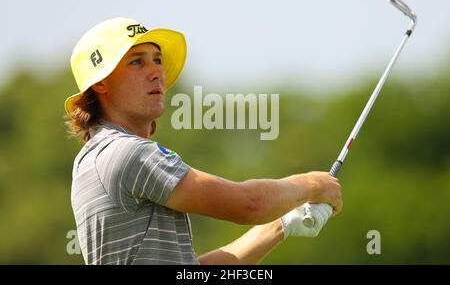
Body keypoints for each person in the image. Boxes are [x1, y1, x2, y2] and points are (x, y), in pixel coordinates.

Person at [65, 18, 342, 265]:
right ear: (100, 83)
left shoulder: (93, 158)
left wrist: (280, 225)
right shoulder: (128, 154)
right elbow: (249, 204)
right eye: (137, 61)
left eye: (157, 60)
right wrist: (312, 184)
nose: (156, 72)